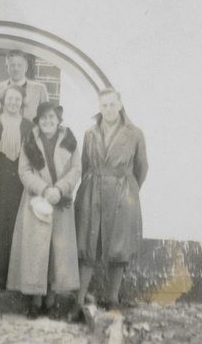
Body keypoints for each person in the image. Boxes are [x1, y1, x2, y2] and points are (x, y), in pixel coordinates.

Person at [69, 88, 148, 321]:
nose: (109, 110)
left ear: (120, 105)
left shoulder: (135, 134)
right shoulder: (90, 132)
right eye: (104, 106)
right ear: (99, 107)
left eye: (112, 105)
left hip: (123, 194)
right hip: (93, 191)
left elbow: (141, 168)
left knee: (118, 248)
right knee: (87, 246)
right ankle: (78, 300)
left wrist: (128, 191)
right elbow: (84, 164)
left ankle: (113, 299)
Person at [7, 102, 81, 320]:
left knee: (55, 253)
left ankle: (50, 302)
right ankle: (34, 302)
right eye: (44, 118)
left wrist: (58, 189)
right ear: (38, 120)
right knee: (35, 252)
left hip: (60, 201)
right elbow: (24, 171)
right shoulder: (30, 140)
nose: (48, 121)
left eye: (52, 117)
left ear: (59, 120)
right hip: (36, 201)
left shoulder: (70, 141)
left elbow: (76, 169)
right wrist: (44, 189)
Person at [0, 85, 34, 290]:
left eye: (17, 99)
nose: (13, 102)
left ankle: (11, 277)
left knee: (14, 228)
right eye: (9, 98)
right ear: (3, 100)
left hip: (19, 185)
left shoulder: (29, 127)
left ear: (22, 102)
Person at [0, 50, 49, 121]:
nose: (16, 69)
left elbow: (45, 117)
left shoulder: (40, 89)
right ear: (6, 67)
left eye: (19, 65)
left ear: (26, 67)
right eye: (12, 65)